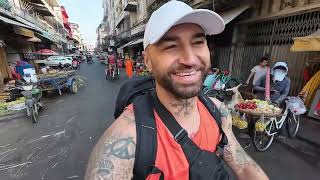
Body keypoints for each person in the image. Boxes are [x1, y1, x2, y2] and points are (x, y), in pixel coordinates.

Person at [85, 1, 268, 180]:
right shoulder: (125, 141)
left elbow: (243, 165)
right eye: (171, 46)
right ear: (147, 61)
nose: (189, 59)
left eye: (197, 42)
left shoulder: (218, 111)